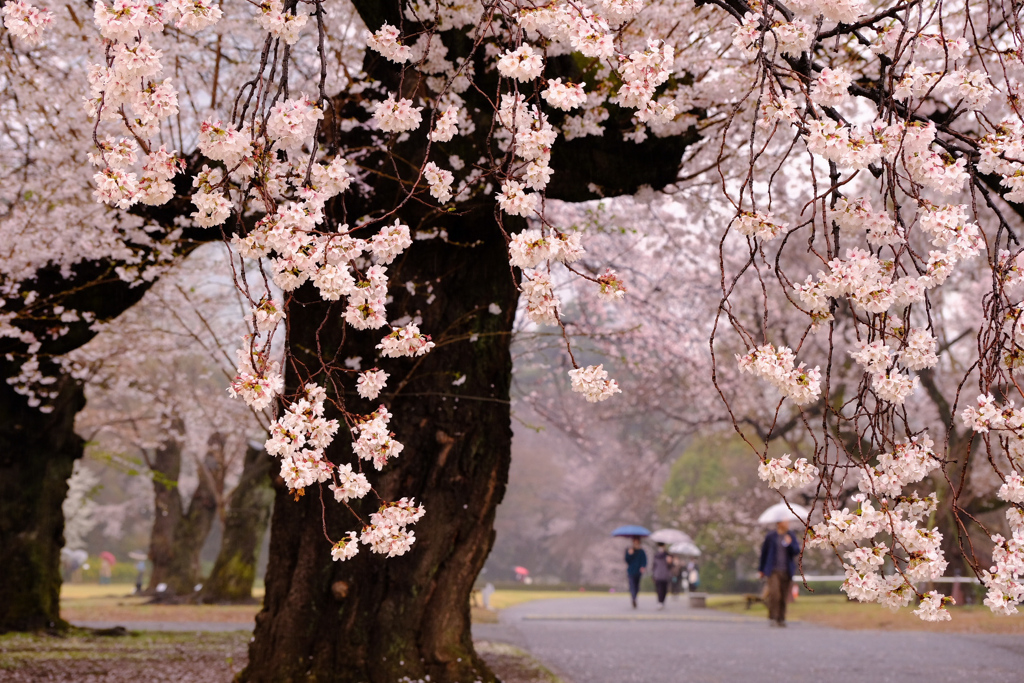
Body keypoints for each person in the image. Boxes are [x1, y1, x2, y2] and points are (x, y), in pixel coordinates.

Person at [758, 519, 801, 627]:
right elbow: (764, 553)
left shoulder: (790, 535)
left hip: (786, 570)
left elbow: (796, 551)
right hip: (773, 570)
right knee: (774, 594)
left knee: (783, 595)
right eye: (785, 521)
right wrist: (761, 569)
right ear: (779, 522)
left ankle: (781, 618)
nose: (788, 523)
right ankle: (773, 617)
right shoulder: (771, 536)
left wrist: (789, 543)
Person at [624, 537, 647, 609]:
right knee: (632, 585)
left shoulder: (641, 551)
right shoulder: (630, 550)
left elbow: (644, 560)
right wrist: (629, 554)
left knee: (637, 586)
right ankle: (633, 597)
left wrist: (643, 566)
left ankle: (635, 596)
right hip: (631, 571)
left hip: (638, 571)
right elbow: (627, 560)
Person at [651, 543, 673, 609]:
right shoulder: (656, 555)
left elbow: (670, 566)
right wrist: (653, 575)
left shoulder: (668, 555)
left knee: (664, 589)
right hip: (657, 575)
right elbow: (654, 565)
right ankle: (660, 602)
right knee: (659, 589)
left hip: (665, 575)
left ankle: (662, 601)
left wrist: (670, 562)